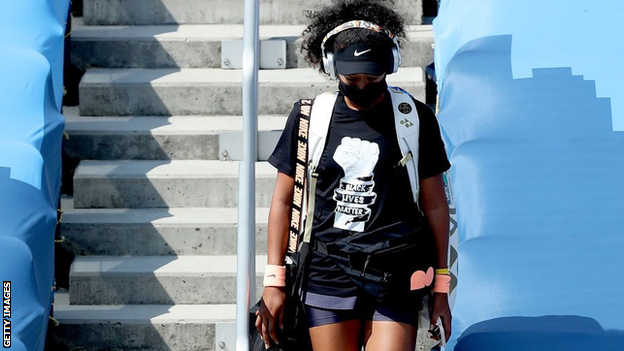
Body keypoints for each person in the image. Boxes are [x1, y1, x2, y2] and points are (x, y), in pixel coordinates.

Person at [256, 1, 452, 350]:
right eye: (352, 78)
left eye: (373, 78)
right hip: (327, 272)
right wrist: (274, 280)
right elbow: (283, 201)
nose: (362, 86)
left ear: (391, 65)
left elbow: (437, 206)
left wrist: (441, 286)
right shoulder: (309, 118)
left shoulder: (415, 118)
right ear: (331, 66)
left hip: (397, 270)